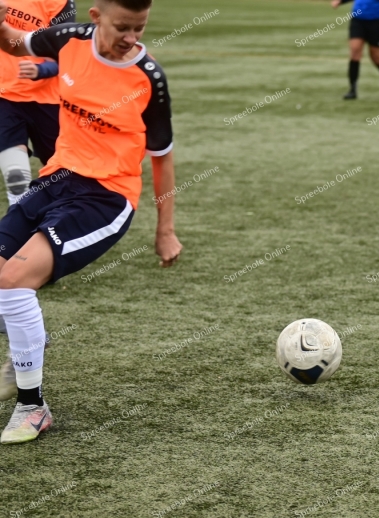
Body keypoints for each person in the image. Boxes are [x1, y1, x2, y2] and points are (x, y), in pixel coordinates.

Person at [0, 0, 183, 444]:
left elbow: (162, 159)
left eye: (139, 28)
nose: (131, 38)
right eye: (123, 26)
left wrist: (165, 230)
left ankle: (33, 406)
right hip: (57, 179)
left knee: (14, 279)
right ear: (97, 16)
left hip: (106, 197)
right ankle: (26, 345)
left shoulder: (149, 77)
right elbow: (18, 43)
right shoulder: (68, 41)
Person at [0, 0, 75, 205]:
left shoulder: (60, 3)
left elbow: (66, 53)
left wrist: (42, 70)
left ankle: (59, 223)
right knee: (16, 179)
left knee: (63, 177)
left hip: (48, 98)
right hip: (5, 96)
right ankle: (17, 228)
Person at [331, 0, 379, 100]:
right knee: (355, 51)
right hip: (358, 19)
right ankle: (352, 90)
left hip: (376, 20)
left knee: (376, 57)